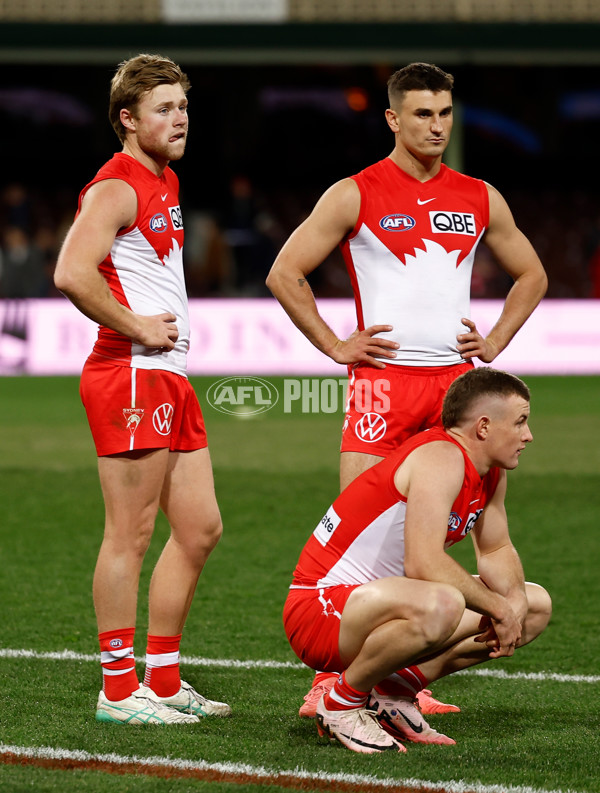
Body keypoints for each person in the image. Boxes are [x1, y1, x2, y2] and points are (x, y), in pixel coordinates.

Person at [266, 62, 548, 717]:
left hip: (457, 390)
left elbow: (530, 273)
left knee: (462, 527)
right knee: (362, 543)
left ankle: (398, 683)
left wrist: (498, 340)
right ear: (393, 119)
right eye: (422, 114)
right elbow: (286, 273)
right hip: (379, 387)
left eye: (445, 113)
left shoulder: (479, 195)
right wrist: (336, 346)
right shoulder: (355, 193)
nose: (437, 126)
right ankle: (332, 685)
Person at [54, 53, 231, 725]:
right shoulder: (117, 186)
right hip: (129, 371)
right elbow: (72, 271)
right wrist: (135, 325)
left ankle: (162, 679)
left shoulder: (166, 180)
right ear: (128, 119)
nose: (180, 117)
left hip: (167, 376)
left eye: (184, 106)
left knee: (199, 528)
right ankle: (118, 691)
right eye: (164, 108)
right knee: (129, 535)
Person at [283, 367, 552, 754]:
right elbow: (423, 564)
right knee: (442, 602)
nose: (528, 435)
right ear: (483, 427)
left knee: (534, 606)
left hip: (375, 605)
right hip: (319, 609)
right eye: (521, 422)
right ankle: (341, 703)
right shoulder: (441, 455)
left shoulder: (488, 471)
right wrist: (498, 608)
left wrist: (512, 607)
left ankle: (393, 693)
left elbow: (495, 549)